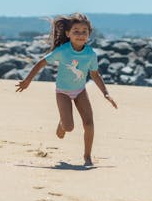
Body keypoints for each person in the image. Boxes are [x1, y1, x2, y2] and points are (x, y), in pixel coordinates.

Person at [16, 13, 117, 167]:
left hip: (80, 91)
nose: (80, 35)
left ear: (89, 34)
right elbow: (41, 63)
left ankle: (87, 156)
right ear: (68, 34)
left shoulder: (90, 54)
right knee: (68, 128)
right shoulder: (63, 50)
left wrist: (106, 93)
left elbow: (95, 74)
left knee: (89, 123)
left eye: (84, 31)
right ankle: (63, 122)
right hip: (62, 92)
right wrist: (28, 80)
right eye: (76, 31)